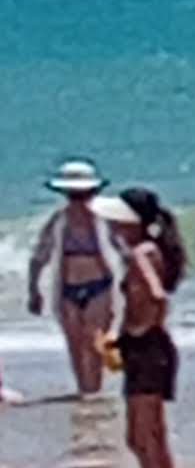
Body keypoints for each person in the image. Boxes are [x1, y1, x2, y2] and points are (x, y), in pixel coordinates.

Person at [110, 190, 185, 468]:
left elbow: (157, 296)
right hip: (149, 348)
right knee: (147, 435)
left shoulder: (141, 253)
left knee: (145, 436)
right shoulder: (149, 250)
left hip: (147, 348)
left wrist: (140, 329)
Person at [25, 164, 125, 399]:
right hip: (67, 288)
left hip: (99, 285)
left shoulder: (104, 221)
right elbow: (40, 255)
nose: (79, 201)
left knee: (94, 340)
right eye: (74, 196)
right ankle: (84, 390)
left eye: (83, 195)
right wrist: (34, 289)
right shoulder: (59, 222)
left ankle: (94, 389)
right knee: (74, 342)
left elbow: (124, 251)